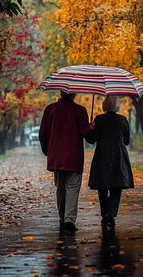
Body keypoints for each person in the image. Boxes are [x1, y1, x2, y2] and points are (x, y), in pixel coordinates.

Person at [39, 91, 94, 232]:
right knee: (72, 188)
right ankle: (69, 219)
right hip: (74, 157)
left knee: (60, 188)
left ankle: (62, 217)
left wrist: (48, 151)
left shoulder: (50, 109)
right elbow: (85, 133)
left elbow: (42, 133)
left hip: (56, 156)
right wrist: (91, 127)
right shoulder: (80, 110)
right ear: (74, 94)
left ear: (60, 92)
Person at [86, 96, 134, 228]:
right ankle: (111, 212)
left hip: (102, 154)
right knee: (117, 185)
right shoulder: (123, 120)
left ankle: (105, 213)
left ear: (104, 105)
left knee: (102, 186)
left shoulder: (99, 119)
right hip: (119, 155)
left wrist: (90, 129)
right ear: (117, 106)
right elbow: (127, 141)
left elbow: (91, 140)